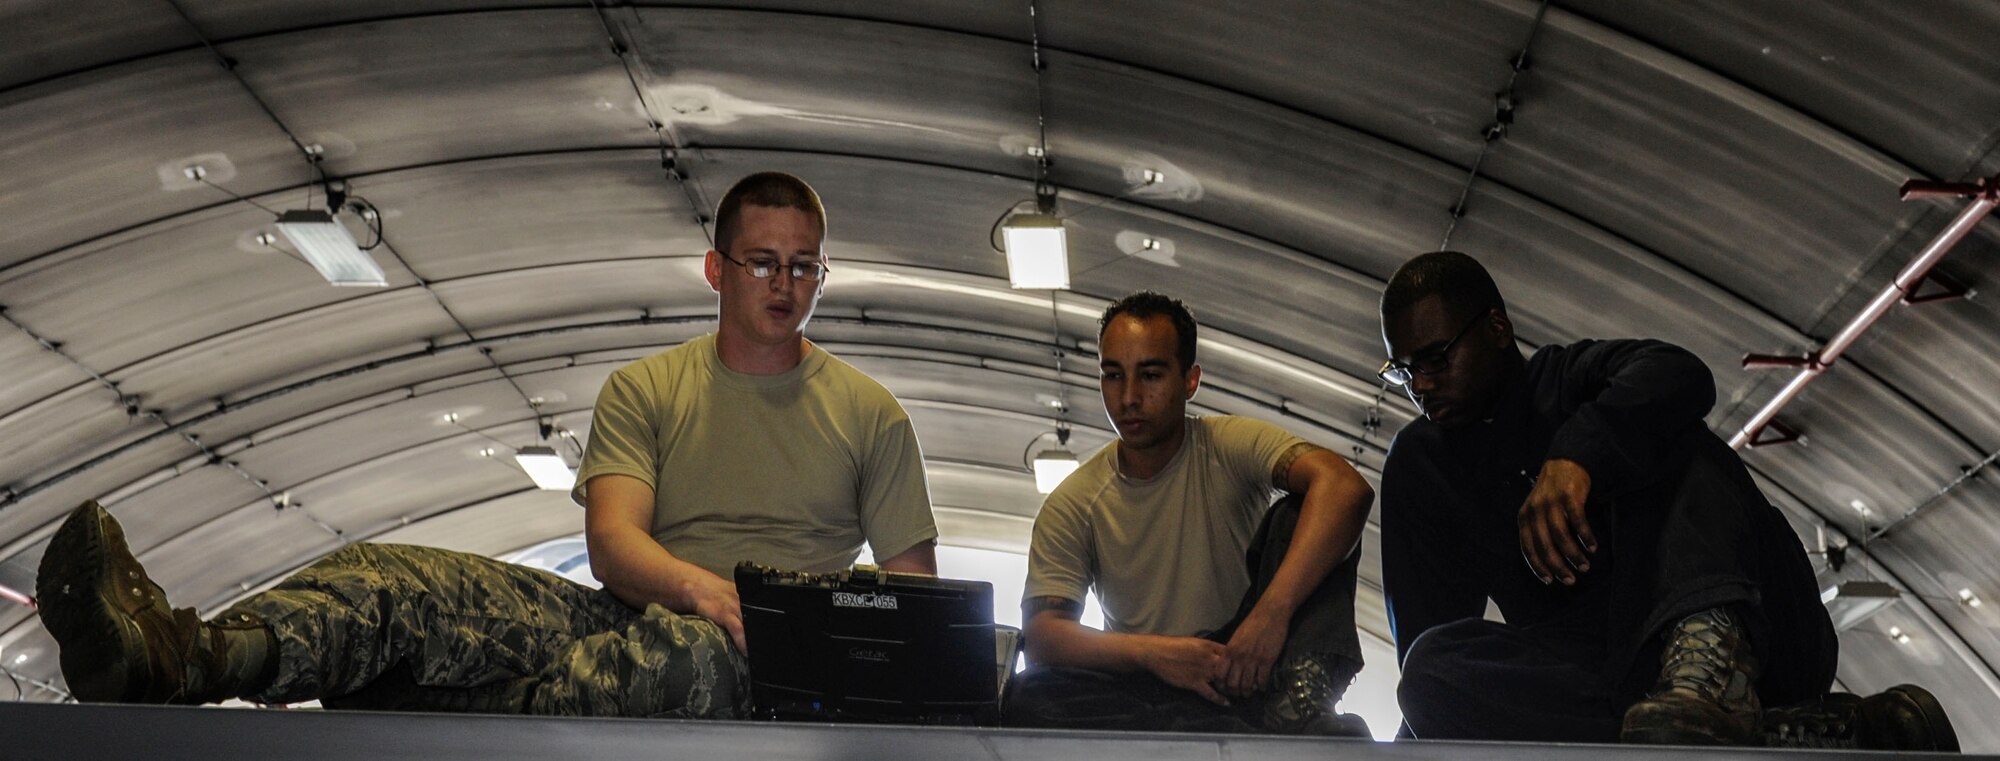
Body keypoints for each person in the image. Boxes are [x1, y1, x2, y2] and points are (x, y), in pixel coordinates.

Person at [35, 171, 939, 717]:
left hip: (764, 661)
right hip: (627, 617)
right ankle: (180, 654)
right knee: (392, 578)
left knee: (687, 664)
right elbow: (616, 548)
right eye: (764, 261)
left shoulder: (869, 416)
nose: (785, 283)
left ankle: (402, 692)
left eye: (804, 265)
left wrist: (800, 634)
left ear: (823, 273)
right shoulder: (649, 389)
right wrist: (706, 590)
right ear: (717, 268)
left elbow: (916, 601)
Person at [1377, 251, 1957, 749]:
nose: (1421, 385)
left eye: (1435, 359)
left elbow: (1681, 374)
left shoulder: (1574, 382)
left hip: (1763, 634)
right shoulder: (1422, 466)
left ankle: (1707, 674)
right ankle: (1753, 730)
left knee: (1675, 435)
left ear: (1497, 330)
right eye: (1404, 372)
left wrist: (1577, 457)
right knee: (1431, 671)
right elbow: (1430, 640)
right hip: (1609, 680)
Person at [1005, 291, 1376, 735]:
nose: (1128, 398)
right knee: (1029, 694)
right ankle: (1225, 728)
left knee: (1305, 513)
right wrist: (1154, 654)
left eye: (1151, 375)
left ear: (1190, 381)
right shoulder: (1076, 500)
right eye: (1112, 375)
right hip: (1146, 682)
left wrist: (1269, 617)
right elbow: (1044, 635)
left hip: (1248, 668)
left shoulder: (1229, 444)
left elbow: (1346, 488)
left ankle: (1298, 696)